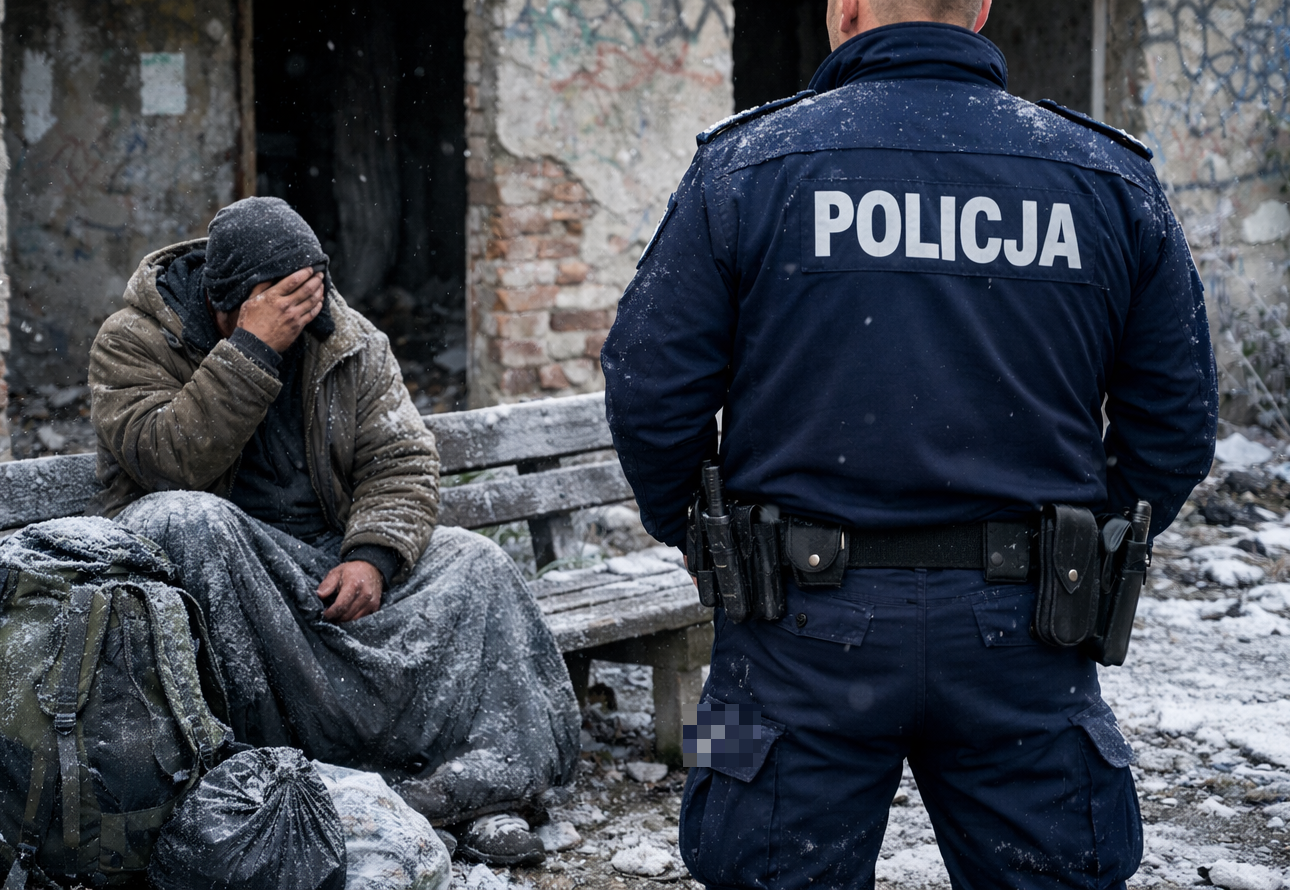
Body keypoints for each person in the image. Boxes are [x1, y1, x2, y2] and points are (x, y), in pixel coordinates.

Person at [601, 0, 1217, 887]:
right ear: (980, 9)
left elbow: (647, 389)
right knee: (1058, 869)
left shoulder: (741, 164)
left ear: (843, 10)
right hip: (1031, 637)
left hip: (781, 639)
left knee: (747, 859)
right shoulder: (1108, 175)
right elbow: (1180, 421)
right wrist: (1085, 546)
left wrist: (712, 548)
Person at [88, 197, 580, 866]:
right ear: (223, 302)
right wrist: (252, 349)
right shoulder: (135, 339)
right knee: (179, 516)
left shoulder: (342, 334)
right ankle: (265, 784)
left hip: (323, 564)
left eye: (308, 302)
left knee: (477, 561)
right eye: (282, 305)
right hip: (224, 574)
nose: (302, 320)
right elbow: (168, 459)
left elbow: (401, 457)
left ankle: (475, 790)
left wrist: (372, 557)